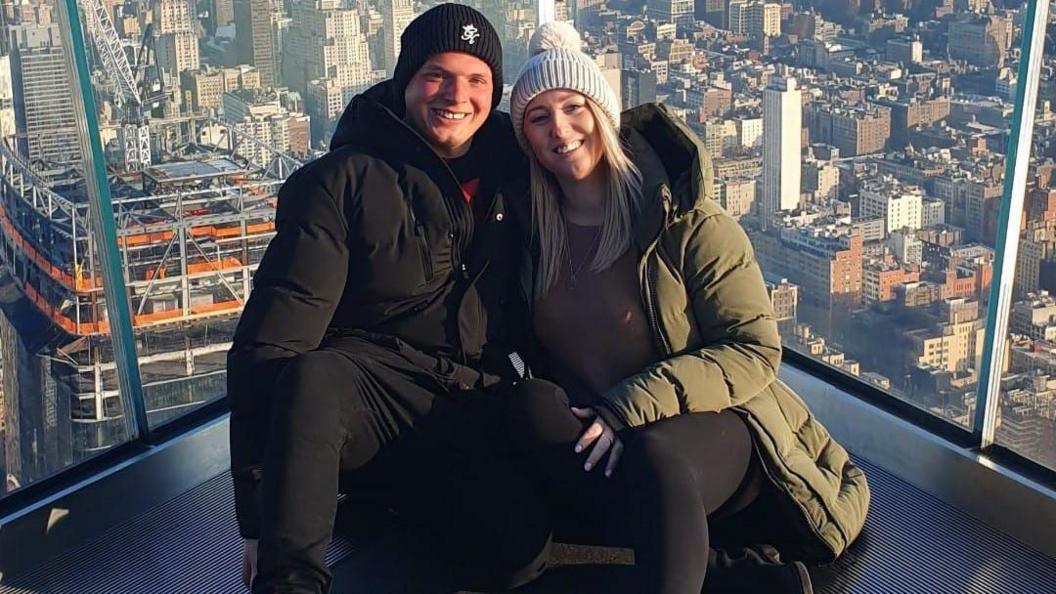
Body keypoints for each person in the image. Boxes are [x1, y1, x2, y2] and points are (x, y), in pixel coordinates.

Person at [502, 21, 871, 594]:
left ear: (603, 112)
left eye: (574, 106)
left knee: (653, 456)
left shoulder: (685, 221)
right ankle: (730, 577)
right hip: (603, 433)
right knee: (528, 410)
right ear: (524, 136)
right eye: (539, 116)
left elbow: (754, 350)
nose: (561, 129)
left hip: (711, 434)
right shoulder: (531, 232)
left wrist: (628, 407)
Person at [226, 5, 551, 593]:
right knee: (315, 377)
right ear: (405, 79)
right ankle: (292, 579)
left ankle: (401, 499)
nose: (457, 95)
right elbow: (271, 344)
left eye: (477, 80)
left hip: (473, 398)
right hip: (369, 395)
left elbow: (596, 148)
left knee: (516, 554)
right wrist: (257, 519)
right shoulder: (341, 182)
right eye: (437, 74)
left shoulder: (518, 161)